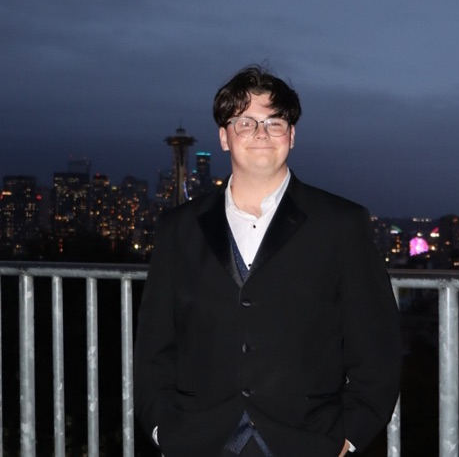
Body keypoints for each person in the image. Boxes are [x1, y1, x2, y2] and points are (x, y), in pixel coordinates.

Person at [134, 65, 401, 457]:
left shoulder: (341, 224)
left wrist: (348, 435)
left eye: (274, 123)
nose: (261, 134)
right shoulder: (178, 228)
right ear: (224, 137)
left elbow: (378, 345)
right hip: (198, 439)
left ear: (291, 135)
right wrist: (161, 428)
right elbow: (154, 344)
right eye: (245, 123)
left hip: (308, 441)